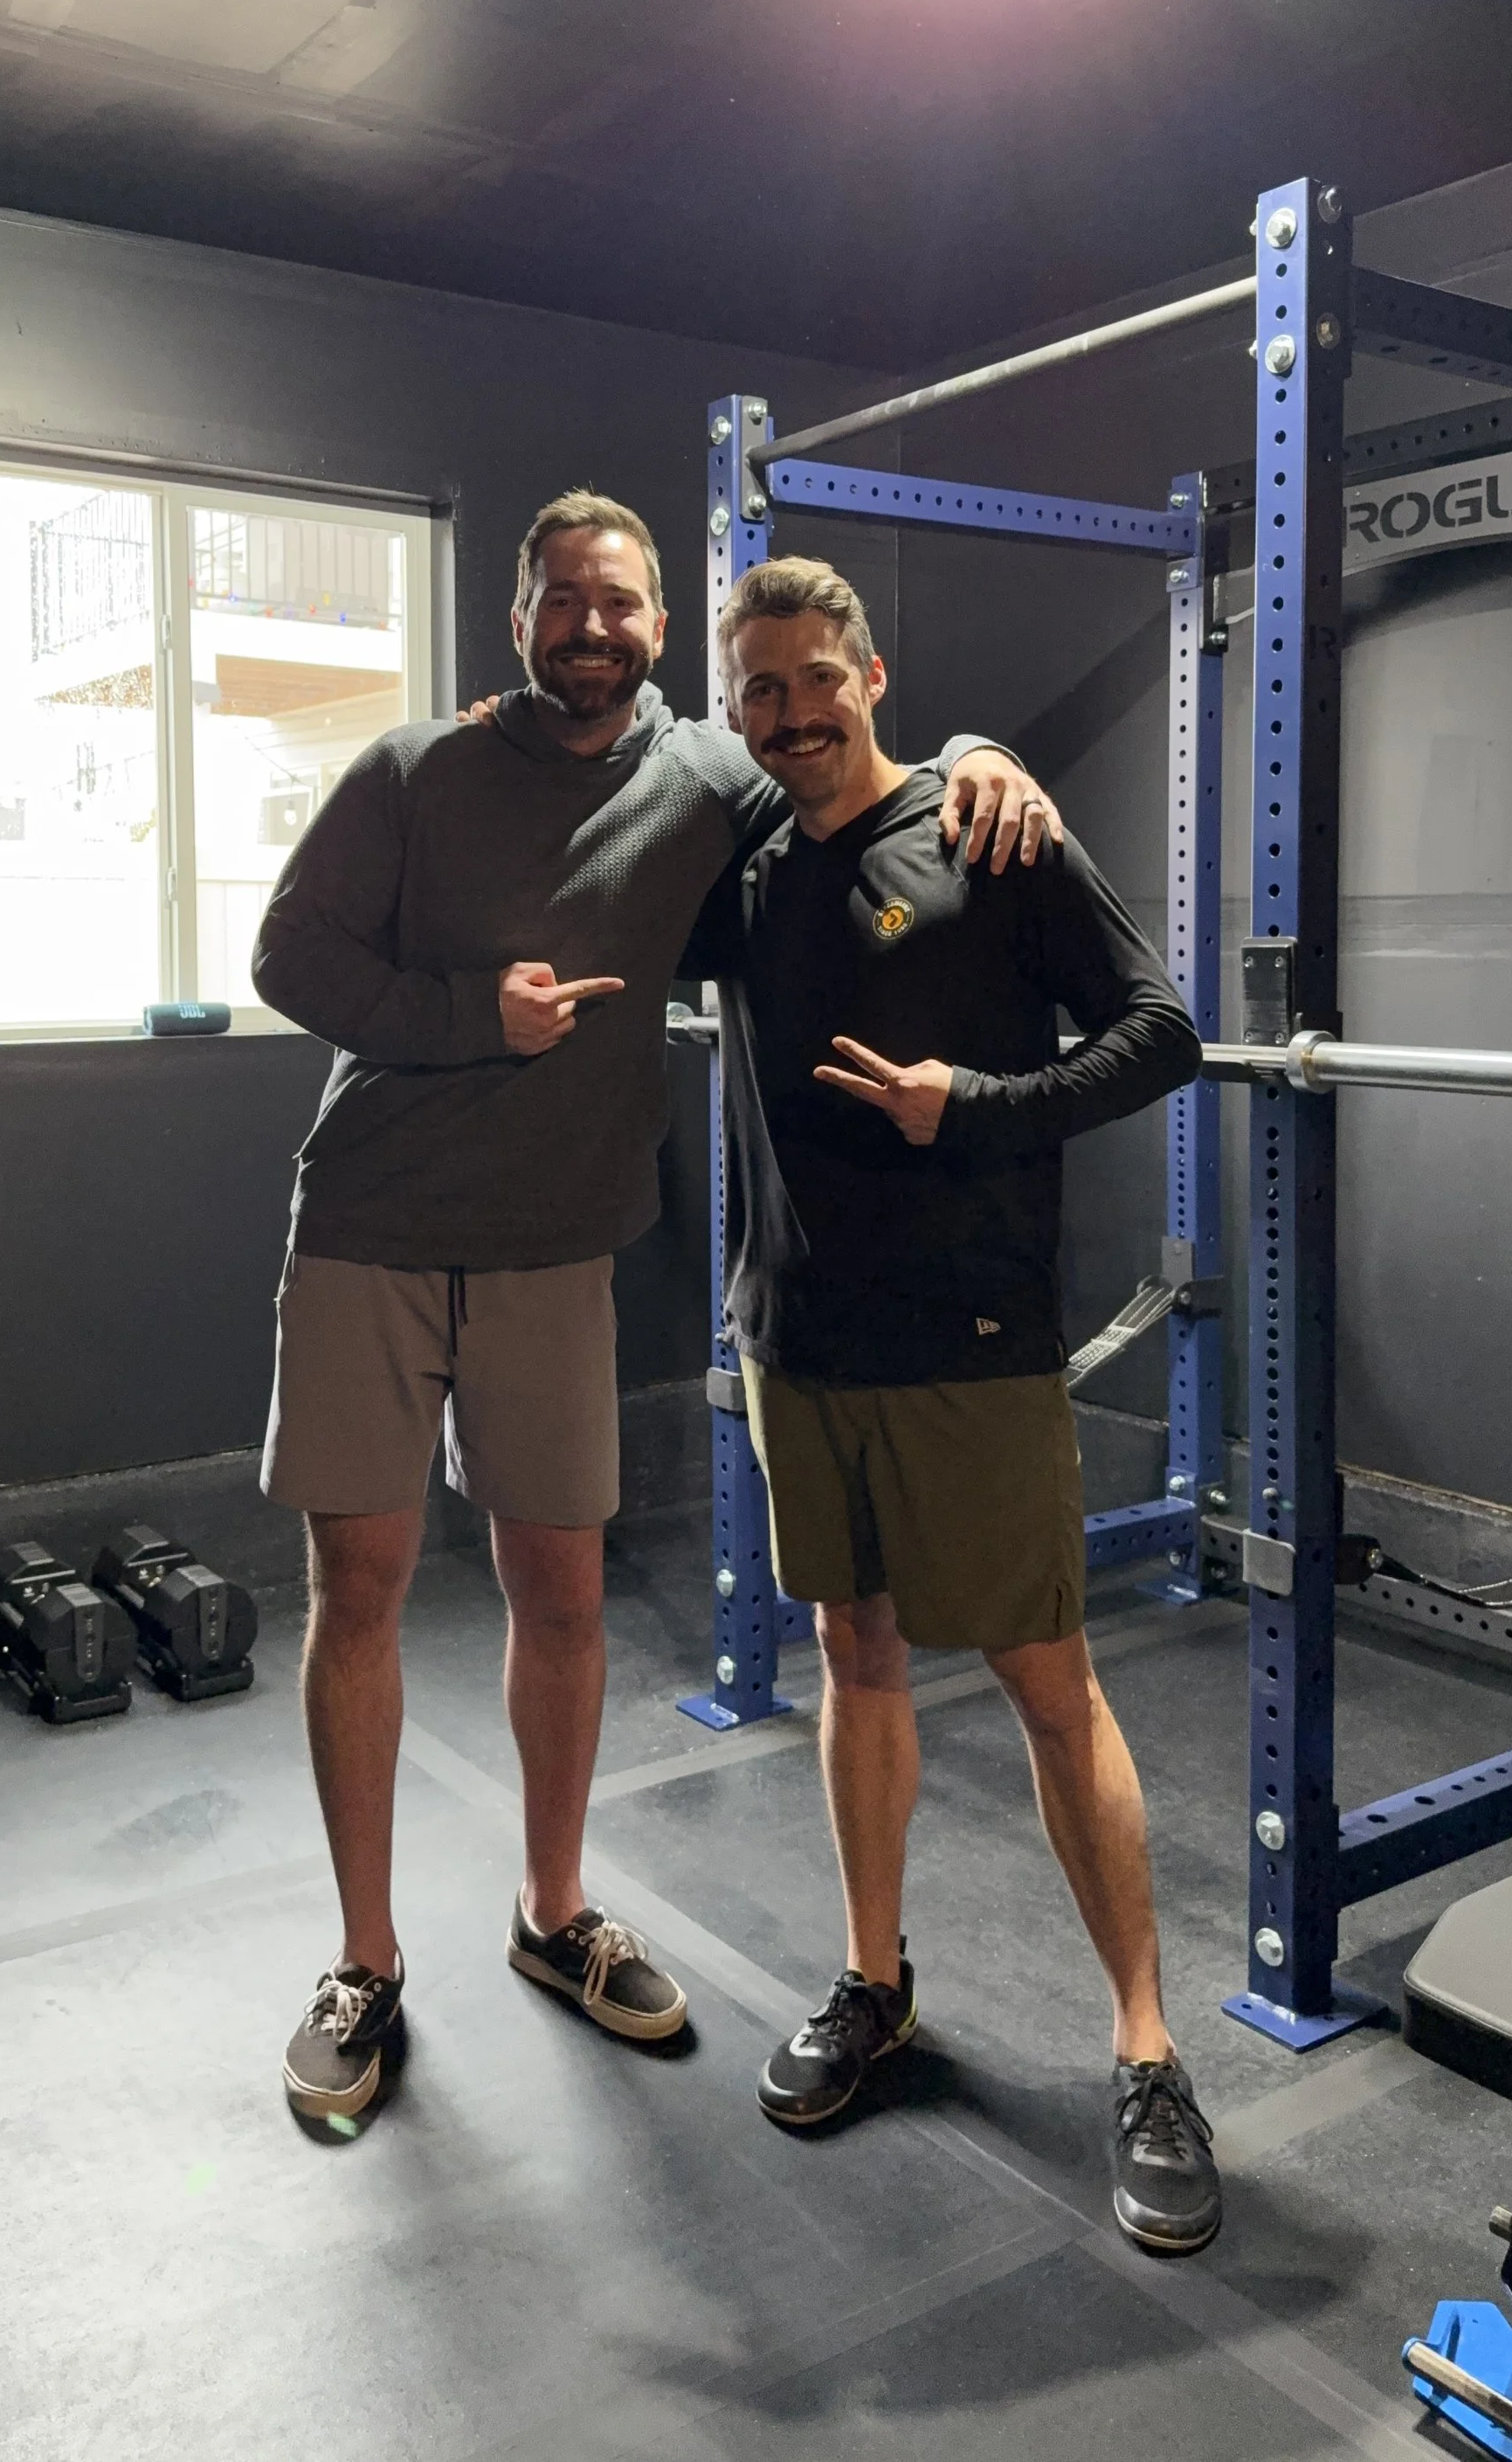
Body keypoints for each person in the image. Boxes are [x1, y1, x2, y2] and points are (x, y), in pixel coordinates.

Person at [250, 490, 1061, 2124]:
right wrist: (470, 1016)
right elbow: (287, 957)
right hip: (375, 1232)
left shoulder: (705, 770)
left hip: (558, 1252)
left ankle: (554, 1917)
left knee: (563, 1597)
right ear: (522, 618)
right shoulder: (415, 773)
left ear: (659, 630)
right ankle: (365, 1962)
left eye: (621, 603)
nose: (594, 627)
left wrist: (988, 749)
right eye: (567, 599)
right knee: (365, 1595)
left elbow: (850, 750)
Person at [690, 551, 1220, 2258]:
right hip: (800, 1344)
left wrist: (972, 1105)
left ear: (869, 671)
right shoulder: (747, 866)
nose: (783, 713)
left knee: (1047, 1681)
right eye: (753, 689)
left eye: (807, 678)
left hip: (969, 1346)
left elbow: (1162, 1032)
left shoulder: (989, 832)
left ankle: (1144, 2055)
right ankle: (872, 1984)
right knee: (850, 1656)